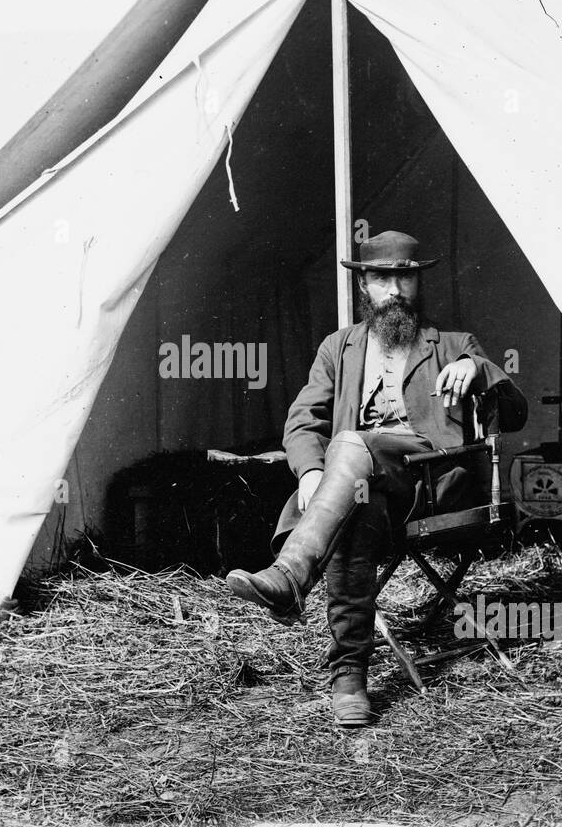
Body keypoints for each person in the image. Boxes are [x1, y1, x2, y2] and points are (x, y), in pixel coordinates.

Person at [225, 230, 527, 726]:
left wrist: (479, 368)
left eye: (404, 278)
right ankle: (350, 681)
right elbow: (303, 421)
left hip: (429, 483)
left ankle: (291, 574)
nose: (393, 289)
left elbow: (513, 414)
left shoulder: (453, 345)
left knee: (351, 443)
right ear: (364, 284)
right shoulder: (338, 348)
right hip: (365, 490)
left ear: (417, 284)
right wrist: (311, 472)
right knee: (355, 509)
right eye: (382, 277)